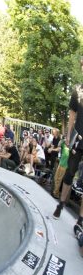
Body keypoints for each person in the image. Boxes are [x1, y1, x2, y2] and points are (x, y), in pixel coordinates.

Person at [54, 58, 83, 228]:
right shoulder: (78, 90)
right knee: (69, 172)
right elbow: (72, 114)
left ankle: (80, 218)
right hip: (78, 136)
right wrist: (68, 135)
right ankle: (61, 203)